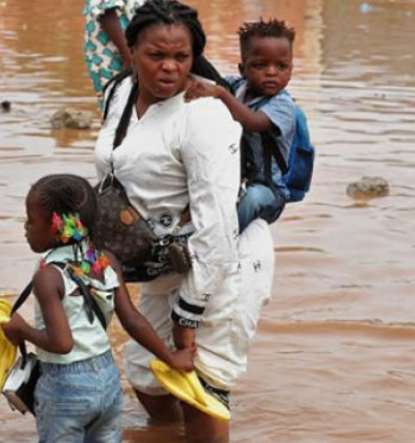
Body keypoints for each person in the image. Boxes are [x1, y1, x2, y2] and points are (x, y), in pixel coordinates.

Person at [94, 2, 275, 442]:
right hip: (163, 259)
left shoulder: (203, 114)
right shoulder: (118, 94)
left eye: (182, 57)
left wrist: (187, 320)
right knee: (147, 375)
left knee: (203, 387)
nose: (170, 68)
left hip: (224, 262)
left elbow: (217, 232)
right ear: (131, 50)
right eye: (157, 56)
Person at [1, 173, 196, 443]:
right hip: (106, 379)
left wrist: (20, 329)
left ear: (57, 227)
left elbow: (61, 343)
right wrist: (172, 358)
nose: (26, 227)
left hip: (65, 386)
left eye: (31, 220)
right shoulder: (106, 261)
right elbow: (132, 320)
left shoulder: (48, 276)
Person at [185, 18, 297, 233]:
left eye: (281, 66)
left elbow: (253, 122)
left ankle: (227, 240)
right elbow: (210, 79)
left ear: (291, 70)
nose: (272, 72)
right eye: (260, 65)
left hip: (269, 191)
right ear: (242, 68)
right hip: (232, 181)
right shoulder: (237, 87)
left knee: (253, 198)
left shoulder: (283, 104)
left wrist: (221, 94)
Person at [83, 0, 149, 106]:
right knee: (117, 103)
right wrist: (128, 56)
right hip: (112, 52)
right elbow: (105, 11)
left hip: (144, 47)